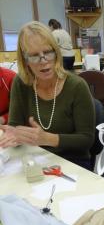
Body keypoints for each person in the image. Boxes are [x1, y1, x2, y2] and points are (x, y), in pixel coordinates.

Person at [0, 21, 95, 170]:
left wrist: (47, 138)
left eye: (48, 52)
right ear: (25, 61)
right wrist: (14, 136)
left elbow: (87, 140)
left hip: (73, 163)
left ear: (56, 52)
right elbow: (15, 126)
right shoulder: (21, 83)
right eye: (34, 56)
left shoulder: (77, 86)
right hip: (35, 157)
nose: (44, 61)